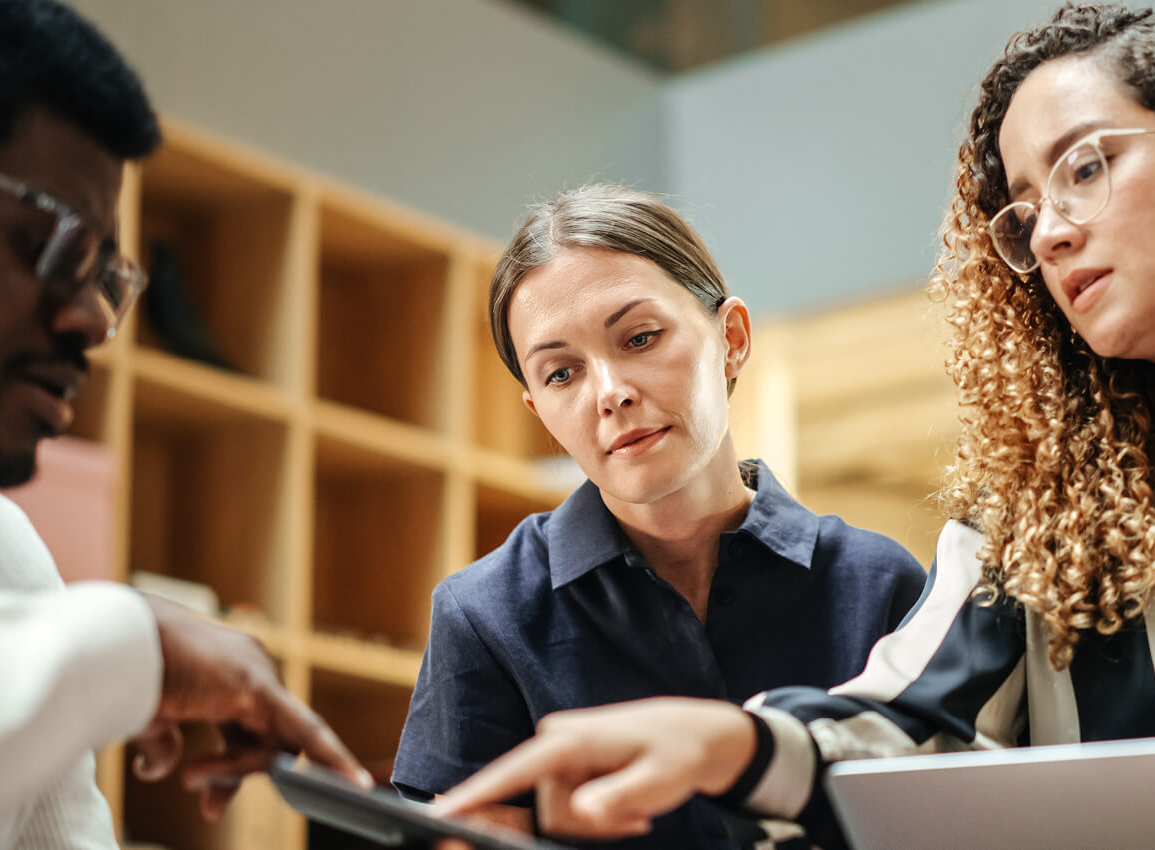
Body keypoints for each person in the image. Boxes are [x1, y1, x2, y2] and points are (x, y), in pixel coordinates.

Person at [436, 6, 1155, 848]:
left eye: (1087, 167)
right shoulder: (1030, 529)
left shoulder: (863, 572)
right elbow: (909, 727)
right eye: (1024, 211)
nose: (1053, 234)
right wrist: (736, 746)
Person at [0, 1, 368, 847]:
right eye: (49, 244)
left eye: (107, 278)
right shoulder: (79, 631)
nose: (88, 319)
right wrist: (135, 643)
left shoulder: (0, 550)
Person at [391, 184, 925, 848]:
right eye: (561, 375)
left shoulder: (881, 585)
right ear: (540, 413)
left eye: (640, 337)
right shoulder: (484, 617)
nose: (610, 394)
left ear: (731, 338)